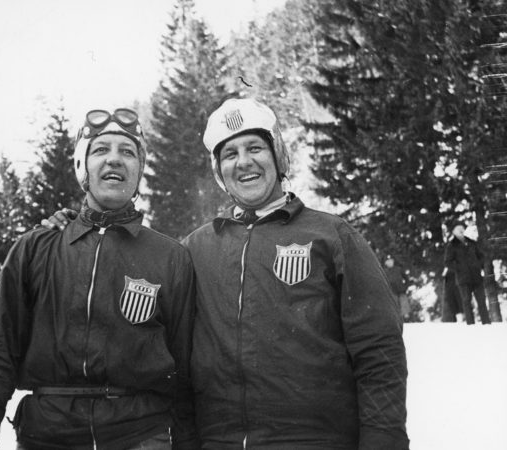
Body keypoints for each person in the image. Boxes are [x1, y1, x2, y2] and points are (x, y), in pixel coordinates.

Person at [45, 98, 409, 449]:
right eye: (230, 154)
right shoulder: (193, 249)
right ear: (219, 171)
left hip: (317, 440)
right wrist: (80, 231)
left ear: (278, 156)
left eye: (255, 148)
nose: (244, 162)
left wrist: (384, 439)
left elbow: (379, 351)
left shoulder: (332, 236)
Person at [0, 108, 198, 450]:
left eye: (127, 152)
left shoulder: (170, 256)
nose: (114, 160)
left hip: (141, 436)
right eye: (101, 150)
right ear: (81, 167)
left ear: (139, 171)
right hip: (47, 435)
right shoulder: (36, 247)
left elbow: (186, 371)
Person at [442, 221, 491, 325]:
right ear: (454, 232)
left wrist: (479, 265)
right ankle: (470, 324)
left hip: (476, 276)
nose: (461, 231)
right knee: (466, 302)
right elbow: (447, 262)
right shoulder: (451, 246)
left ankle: (486, 323)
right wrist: (459, 268)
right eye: (458, 230)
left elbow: (481, 256)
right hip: (463, 278)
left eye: (462, 229)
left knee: (482, 301)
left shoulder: (472, 243)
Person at [383, 256, 411, 321]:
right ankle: (397, 319)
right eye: (388, 261)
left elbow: (406, 278)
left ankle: (406, 318)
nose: (390, 262)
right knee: (394, 306)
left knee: (404, 304)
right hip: (392, 291)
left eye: (391, 261)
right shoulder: (384, 271)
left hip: (401, 290)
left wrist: (405, 286)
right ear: (385, 263)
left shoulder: (398, 269)